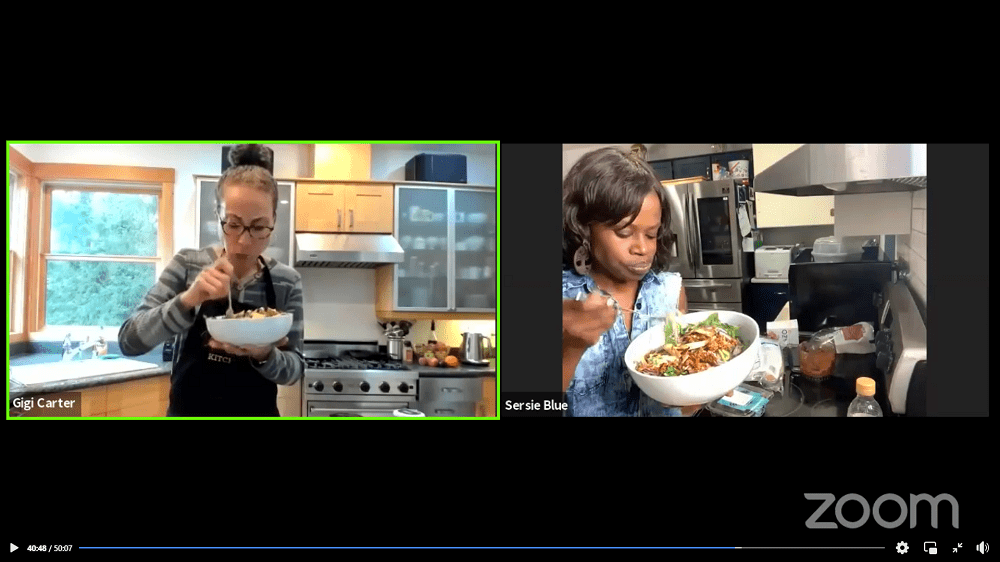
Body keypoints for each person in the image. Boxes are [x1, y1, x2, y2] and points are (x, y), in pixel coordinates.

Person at [119, 144, 305, 416]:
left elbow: (295, 370)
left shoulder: (286, 281)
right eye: (233, 223)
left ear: (274, 220)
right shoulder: (187, 265)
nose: (244, 240)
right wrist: (188, 300)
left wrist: (265, 354)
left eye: (259, 226)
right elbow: (129, 341)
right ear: (219, 216)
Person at [561, 146, 698, 417]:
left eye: (651, 234)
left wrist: (703, 389)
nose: (642, 248)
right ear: (584, 228)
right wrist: (570, 348)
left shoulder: (670, 292)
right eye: (625, 232)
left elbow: (684, 404)